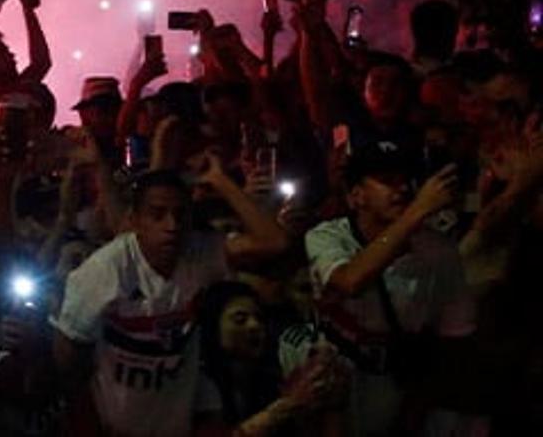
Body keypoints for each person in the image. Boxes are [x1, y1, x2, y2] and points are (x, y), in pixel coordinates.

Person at [51, 159, 290, 437]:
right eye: (158, 214)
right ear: (135, 220)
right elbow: (68, 363)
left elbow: (275, 243)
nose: (172, 225)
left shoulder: (199, 253)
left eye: (180, 214)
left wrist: (222, 182)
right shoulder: (104, 271)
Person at [301, 140, 477, 435]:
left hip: (403, 384)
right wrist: (415, 212)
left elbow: (455, 336)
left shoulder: (439, 251)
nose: (402, 189)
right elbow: (350, 280)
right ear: (356, 195)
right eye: (386, 180)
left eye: (405, 179)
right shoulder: (327, 237)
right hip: (338, 381)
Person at [192, 280, 345, 437]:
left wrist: (331, 401)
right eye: (240, 319)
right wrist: (288, 404)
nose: (254, 325)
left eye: (259, 318)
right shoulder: (198, 384)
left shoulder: (270, 380)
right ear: (213, 327)